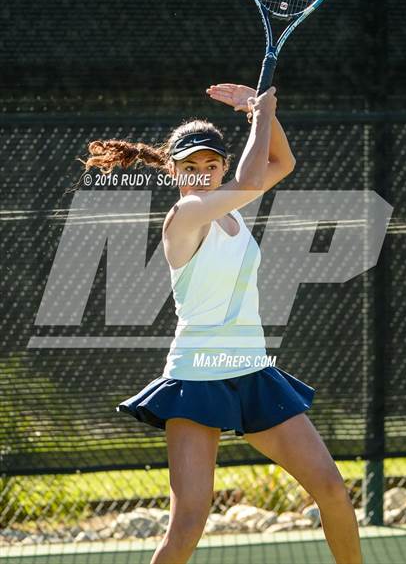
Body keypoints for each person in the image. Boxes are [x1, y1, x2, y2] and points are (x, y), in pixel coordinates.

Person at [81, 84, 363, 564]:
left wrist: (262, 114)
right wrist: (262, 110)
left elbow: (280, 164)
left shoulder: (232, 213)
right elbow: (255, 178)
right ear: (172, 171)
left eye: (210, 166)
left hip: (251, 371)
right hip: (196, 378)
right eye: (189, 167)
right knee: (189, 523)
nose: (200, 175)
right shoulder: (186, 214)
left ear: (222, 168)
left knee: (332, 490)